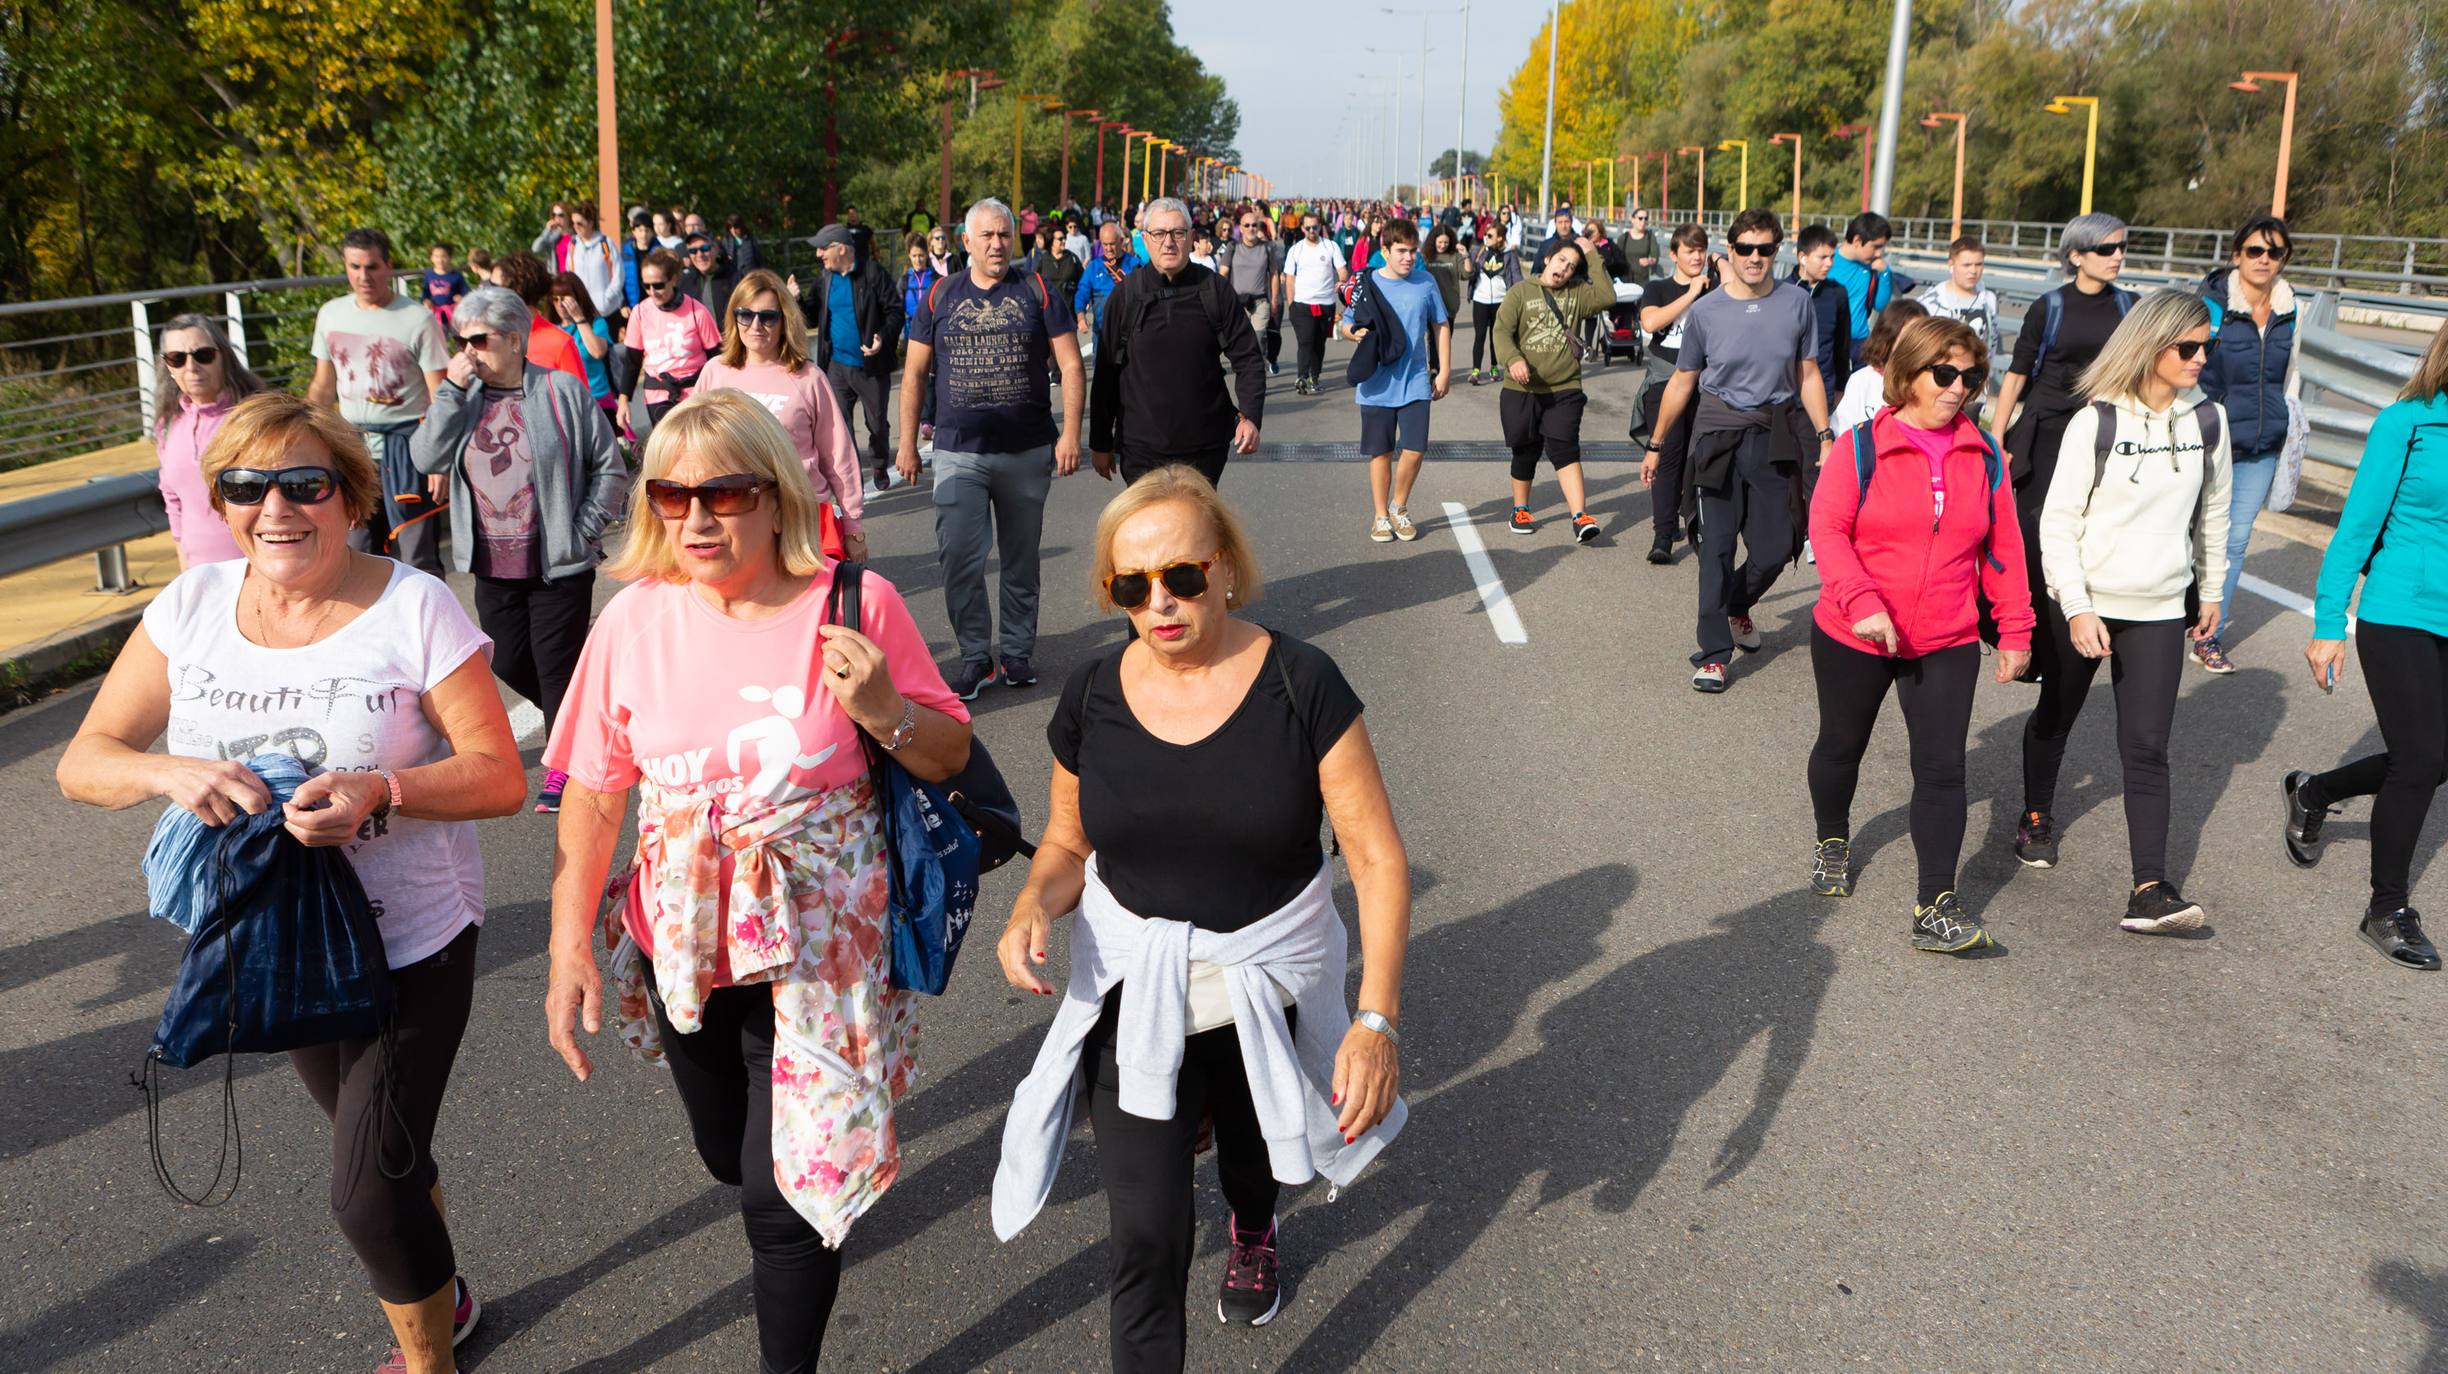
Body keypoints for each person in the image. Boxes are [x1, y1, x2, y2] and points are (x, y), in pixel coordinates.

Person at [57, 391, 526, 1374]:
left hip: (414, 941)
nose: (277, 509)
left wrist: (380, 788)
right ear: (220, 501)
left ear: (350, 497)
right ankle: (452, 1296)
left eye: (305, 484)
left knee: (363, 1189)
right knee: (390, 1163)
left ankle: (432, 1365)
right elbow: (84, 760)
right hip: (281, 942)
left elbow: (499, 775)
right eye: (247, 486)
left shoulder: (412, 607)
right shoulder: (189, 610)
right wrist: (167, 772)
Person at [542, 391, 974, 1374]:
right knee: (725, 1154)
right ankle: (801, 1172)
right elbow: (598, 796)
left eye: (725, 493)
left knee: (776, 1202)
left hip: (822, 952)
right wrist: (572, 946)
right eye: (673, 495)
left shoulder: (855, 603)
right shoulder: (633, 621)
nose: (696, 518)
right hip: (683, 943)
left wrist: (882, 708)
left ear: (776, 495)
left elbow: (949, 755)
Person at [992, 466, 1411, 1370]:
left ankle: (1254, 1227)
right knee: (1145, 1239)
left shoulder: (1303, 682)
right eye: (1131, 587)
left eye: (1182, 576)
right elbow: (1066, 844)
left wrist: (1374, 1021)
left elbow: (1376, 860)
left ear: (1224, 568)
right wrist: (1033, 902)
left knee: (1254, 1160)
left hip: (1267, 989)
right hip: (1134, 997)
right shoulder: (1093, 694)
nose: (1161, 602)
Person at [1806, 316, 2033, 952]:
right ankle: (1832, 838)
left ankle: (1935, 904)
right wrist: (1862, 601)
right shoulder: (1861, 447)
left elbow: (2005, 546)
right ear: (1907, 374)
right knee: (1841, 746)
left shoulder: (1984, 452)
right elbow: (1827, 529)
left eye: (1971, 376)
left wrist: (2016, 627)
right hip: (1857, 631)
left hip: (1946, 634)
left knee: (1941, 769)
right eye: (1945, 373)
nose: (1959, 387)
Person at [2020, 289, 2232, 934]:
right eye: (2187, 347)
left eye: (2208, 346)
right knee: (2057, 715)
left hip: (2162, 607)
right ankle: (2034, 813)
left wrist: (2213, 589)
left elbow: (2214, 513)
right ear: (2150, 346)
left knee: (2147, 747)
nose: (2200, 357)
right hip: (2086, 603)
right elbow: (2057, 524)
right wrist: (2078, 607)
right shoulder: (2097, 422)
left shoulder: (2208, 422)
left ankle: (2150, 887)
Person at [411, 286, 626, 815]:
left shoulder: (561, 391)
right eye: (460, 340)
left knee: (555, 664)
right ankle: (583, 720)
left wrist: (585, 530)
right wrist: (448, 394)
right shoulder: (462, 400)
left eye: (478, 340)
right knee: (505, 659)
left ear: (513, 339)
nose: (467, 351)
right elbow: (425, 456)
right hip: (491, 562)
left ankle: (562, 765)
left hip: (559, 560)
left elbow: (610, 467)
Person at [2287, 320, 2448, 970]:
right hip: (2400, 607)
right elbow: (2355, 529)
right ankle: (2386, 908)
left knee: (2437, 760)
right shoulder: (2406, 423)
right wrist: (2329, 623)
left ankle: (2314, 792)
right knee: (2419, 759)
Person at [896, 197, 1088, 698]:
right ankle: (976, 657)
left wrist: (1070, 434)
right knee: (959, 555)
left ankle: (1017, 653)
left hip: (1026, 450)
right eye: (987, 236)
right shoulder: (941, 295)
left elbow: (1070, 364)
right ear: (967, 242)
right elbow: (914, 373)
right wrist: (906, 443)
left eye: (1004, 235)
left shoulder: (1036, 289)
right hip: (959, 449)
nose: (998, 244)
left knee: (1020, 557)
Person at [1639, 208, 1834, 693]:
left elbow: (1808, 374)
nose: (1754, 258)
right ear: (1730, 252)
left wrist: (1826, 435)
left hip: (1776, 435)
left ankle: (1736, 606)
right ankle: (1713, 654)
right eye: (1745, 249)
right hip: (1717, 436)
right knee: (1717, 549)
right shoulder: (1706, 311)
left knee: (1778, 546)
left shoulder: (1796, 304)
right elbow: (1683, 382)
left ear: (1776, 252)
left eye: (1764, 249)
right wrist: (1657, 445)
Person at [1992, 213, 2136, 689]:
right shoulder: (2048, 306)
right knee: (2037, 535)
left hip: (2102, 432)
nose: (2117, 256)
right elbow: (2017, 372)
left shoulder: (2128, 306)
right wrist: (1996, 436)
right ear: (2076, 255)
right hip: (2047, 428)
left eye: (2121, 248)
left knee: (2089, 531)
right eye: (2106, 249)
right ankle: (2029, 640)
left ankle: (2080, 629)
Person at [2190, 214, 2303, 674]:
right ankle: (2159, 614)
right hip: (2208, 438)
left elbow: (2291, 374)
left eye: (2273, 252)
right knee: (2185, 532)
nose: (2264, 260)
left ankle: (2207, 635)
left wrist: (2285, 423)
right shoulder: (2210, 306)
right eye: (2254, 250)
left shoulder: (2290, 308)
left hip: (2261, 443)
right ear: (2237, 254)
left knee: (2234, 542)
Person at [1089, 197, 1265, 488]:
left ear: (1191, 238)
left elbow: (1247, 357)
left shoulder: (1214, 290)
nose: (1168, 242)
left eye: (1178, 233)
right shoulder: (1125, 296)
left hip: (1205, 447)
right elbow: (1106, 374)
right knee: (1151, 531)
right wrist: (1100, 442)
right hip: (1141, 447)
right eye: (1159, 234)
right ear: (1145, 239)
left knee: (1196, 532)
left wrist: (1250, 415)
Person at [306, 226, 453, 574]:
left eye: (371, 266)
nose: (363, 276)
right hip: (352, 446)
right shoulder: (330, 314)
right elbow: (323, 388)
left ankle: (428, 626)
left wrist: (438, 460)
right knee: (356, 555)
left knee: (418, 556)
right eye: (354, 267)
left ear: (388, 266)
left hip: (407, 448)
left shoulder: (417, 319)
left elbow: (441, 396)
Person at [699, 267, 868, 559]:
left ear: (784, 321)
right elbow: (692, 447)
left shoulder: (808, 377)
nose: (756, 325)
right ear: (734, 317)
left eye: (768, 317)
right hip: (734, 517)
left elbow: (838, 456)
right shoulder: (715, 372)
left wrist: (853, 527)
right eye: (745, 315)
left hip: (800, 517)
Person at [1491, 227, 1624, 542]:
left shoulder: (1577, 292)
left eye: (1571, 266)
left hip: (1564, 388)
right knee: (1526, 451)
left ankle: (1580, 516)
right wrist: (1513, 360)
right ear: (1548, 258)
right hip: (1521, 389)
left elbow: (1607, 296)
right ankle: (1520, 509)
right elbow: (1501, 332)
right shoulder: (1521, 292)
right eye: (1561, 260)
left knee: (1565, 448)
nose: (1564, 269)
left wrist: (1590, 253)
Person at [1339, 218, 1451, 543]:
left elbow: (1441, 325)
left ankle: (1399, 506)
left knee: (1415, 449)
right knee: (1382, 453)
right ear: (1384, 250)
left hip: (1416, 379)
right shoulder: (1367, 282)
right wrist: (1352, 333)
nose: (1408, 257)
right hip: (1376, 382)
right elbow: (1345, 323)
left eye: (1413, 251)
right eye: (1401, 250)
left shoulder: (1426, 283)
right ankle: (1380, 517)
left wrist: (1443, 370)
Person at [153, 312, 269, 569]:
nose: (191, 367)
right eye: (177, 358)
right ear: (167, 367)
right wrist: (185, 570)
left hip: (259, 566)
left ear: (223, 357)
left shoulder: (254, 416)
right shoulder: (167, 425)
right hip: (200, 573)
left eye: (203, 355)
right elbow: (173, 500)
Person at [798, 224, 904, 494]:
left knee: (877, 423)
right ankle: (853, 477)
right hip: (836, 366)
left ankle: (879, 463)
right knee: (840, 428)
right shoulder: (825, 279)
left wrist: (882, 336)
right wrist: (797, 300)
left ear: (841, 248)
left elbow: (895, 310)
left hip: (870, 366)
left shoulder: (872, 273)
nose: (819, 253)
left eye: (823, 247)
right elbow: (811, 316)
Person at [1634, 224, 1716, 563]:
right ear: (1673, 255)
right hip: (1664, 382)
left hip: (1706, 385)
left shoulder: (1718, 290)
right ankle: (1662, 534)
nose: (1696, 256)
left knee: (1698, 459)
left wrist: (1720, 270)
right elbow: (1650, 324)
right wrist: (1690, 294)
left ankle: (1697, 523)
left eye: (1701, 250)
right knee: (1667, 456)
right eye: (1689, 251)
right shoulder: (1658, 288)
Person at [621, 247, 723, 434]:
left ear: (674, 280)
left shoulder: (696, 311)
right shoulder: (640, 313)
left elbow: (715, 357)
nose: (652, 292)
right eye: (646, 286)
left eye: (658, 285)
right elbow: (632, 361)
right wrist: (623, 400)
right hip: (658, 392)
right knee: (669, 449)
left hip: (695, 390)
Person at [1831, 299, 1929, 433]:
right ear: (1887, 337)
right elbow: (1842, 430)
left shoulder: (1930, 382)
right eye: (1907, 337)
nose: (1914, 345)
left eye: (1920, 337)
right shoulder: (1863, 380)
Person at [1281, 211, 1348, 395]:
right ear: (1302, 228)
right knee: (1306, 341)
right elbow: (1289, 279)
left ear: (1320, 227)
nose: (1312, 231)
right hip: (1302, 304)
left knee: (1319, 343)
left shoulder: (1330, 246)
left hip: (1326, 303)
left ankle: (1314, 377)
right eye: (1308, 227)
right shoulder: (1296, 249)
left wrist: (1342, 280)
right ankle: (1301, 377)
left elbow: (1342, 269)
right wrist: (1291, 304)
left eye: (1315, 227)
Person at [1217, 207, 1286, 379]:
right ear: (1240, 228)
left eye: (1254, 225)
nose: (1251, 229)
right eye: (1246, 225)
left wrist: (1275, 299)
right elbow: (1223, 274)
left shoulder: (1267, 248)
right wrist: (1220, 298)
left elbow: (1274, 275)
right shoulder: (1233, 247)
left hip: (1260, 302)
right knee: (1240, 341)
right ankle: (1244, 373)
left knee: (1258, 338)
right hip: (1237, 303)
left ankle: (1257, 375)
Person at [1824, 212, 1898, 368]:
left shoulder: (1871, 266)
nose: (1879, 253)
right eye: (1875, 247)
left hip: (1861, 343)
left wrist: (1885, 274)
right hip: (1832, 342)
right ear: (1857, 240)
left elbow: (1880, 305)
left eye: (1882, 248)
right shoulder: (1828, 264)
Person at [1791, 224, 1855, 401]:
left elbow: (1842, 347)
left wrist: (1840, 388)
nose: (1829, 263)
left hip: (1823, 392)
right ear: (1802, 257)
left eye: (1832, 257)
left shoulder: (1837, 293)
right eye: (1823, 257)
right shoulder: (1782, 291)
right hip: (1785, 394)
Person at [547, 271, 619, 420]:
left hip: (599, 400)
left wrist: (579, 319)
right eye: (555, 299)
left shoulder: (596, 324)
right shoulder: (550, 331)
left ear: (577, 297)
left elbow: (598, 352)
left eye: (565, 299)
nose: (560, 305)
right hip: (567, 405)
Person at [1916, 236, 2000, 360]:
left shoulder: (1989, 300)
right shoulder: (1930, 302)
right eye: (1966, 265)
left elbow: (1991, 342)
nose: (1973, 271)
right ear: (1951, 264)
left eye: (1978, 264)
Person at [899, 233, 940, 450]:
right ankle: (923, 420)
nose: (918, 260)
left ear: (927, 255)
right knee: (916, 377)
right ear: (909, 256)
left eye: (922, 256)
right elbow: (897, 308)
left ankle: (928, 420)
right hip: (912, 335)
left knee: (933, 377)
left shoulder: (935, 279)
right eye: (914, 256)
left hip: (932, 334)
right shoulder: (904, 280)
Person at [1465, 228, 1518, 385]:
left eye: (1490, 235)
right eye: (1485, 234)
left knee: (1496, 337)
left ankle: (1494, 367)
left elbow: (1516, 277)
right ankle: (1476, 371)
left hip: (1500, 301)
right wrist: (1468, 258)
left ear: (1500, 238)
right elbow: (1470, 273)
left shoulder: (1509, 255)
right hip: (1480, 299)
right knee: (1479, 335)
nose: (1485, 237)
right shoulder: (1478, 251)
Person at [1076, 222, 1143, 340]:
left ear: (1121, 241)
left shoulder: (1135, 264)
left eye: (1112, 244)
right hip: (1102, 332)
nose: (1108, 249)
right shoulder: (1093, 267)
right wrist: (1081, 317)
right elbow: (1082, 293)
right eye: (1105, 244)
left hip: (1130, 331)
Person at [559, 202, 624, 318]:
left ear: (590, 223)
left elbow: (619, 276)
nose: (575, 227)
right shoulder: (573, 245)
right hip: (582, 310)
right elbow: (570, 275)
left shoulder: (606, 243)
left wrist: (606, 299)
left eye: (580, 223)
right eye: (573, 223)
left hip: (607, 311)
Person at [678, 233, 738, 318]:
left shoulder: (735, 278)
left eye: (704, 248)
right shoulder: (685, 282)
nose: (699, 255)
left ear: (716, 249)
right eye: (693, 251)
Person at [422, 244, 471, 330]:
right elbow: (425, 294)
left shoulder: (456, 275)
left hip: (454, 314)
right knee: (439, 341)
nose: (440, 260)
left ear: (449, 258)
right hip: (436, 314)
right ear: (431, 258)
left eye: (443, 256)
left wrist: (461, 298)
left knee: (460, 338)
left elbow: (466, 293)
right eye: (436, 256)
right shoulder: (429, 275)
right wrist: (426, 301)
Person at [620, 216, 657, 318]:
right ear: (634, 231)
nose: (644, 234)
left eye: (647, 230)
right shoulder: (624, 253)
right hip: (631, 307)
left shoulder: (659, 252)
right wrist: (622, 304)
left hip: (655, 305)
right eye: (640, 230)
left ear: (652, 232)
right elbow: (619, 280)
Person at [1621, 206, 1662, 281]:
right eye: (1640, 218)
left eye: (1645, 218)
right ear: (1633, 219)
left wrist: (1649, 261)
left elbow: (1655, 258)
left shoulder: (1650, 237)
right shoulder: (1624, 237)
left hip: (1642, 280)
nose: (1643, 221)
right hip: (1625, 279)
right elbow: (1618, 258)